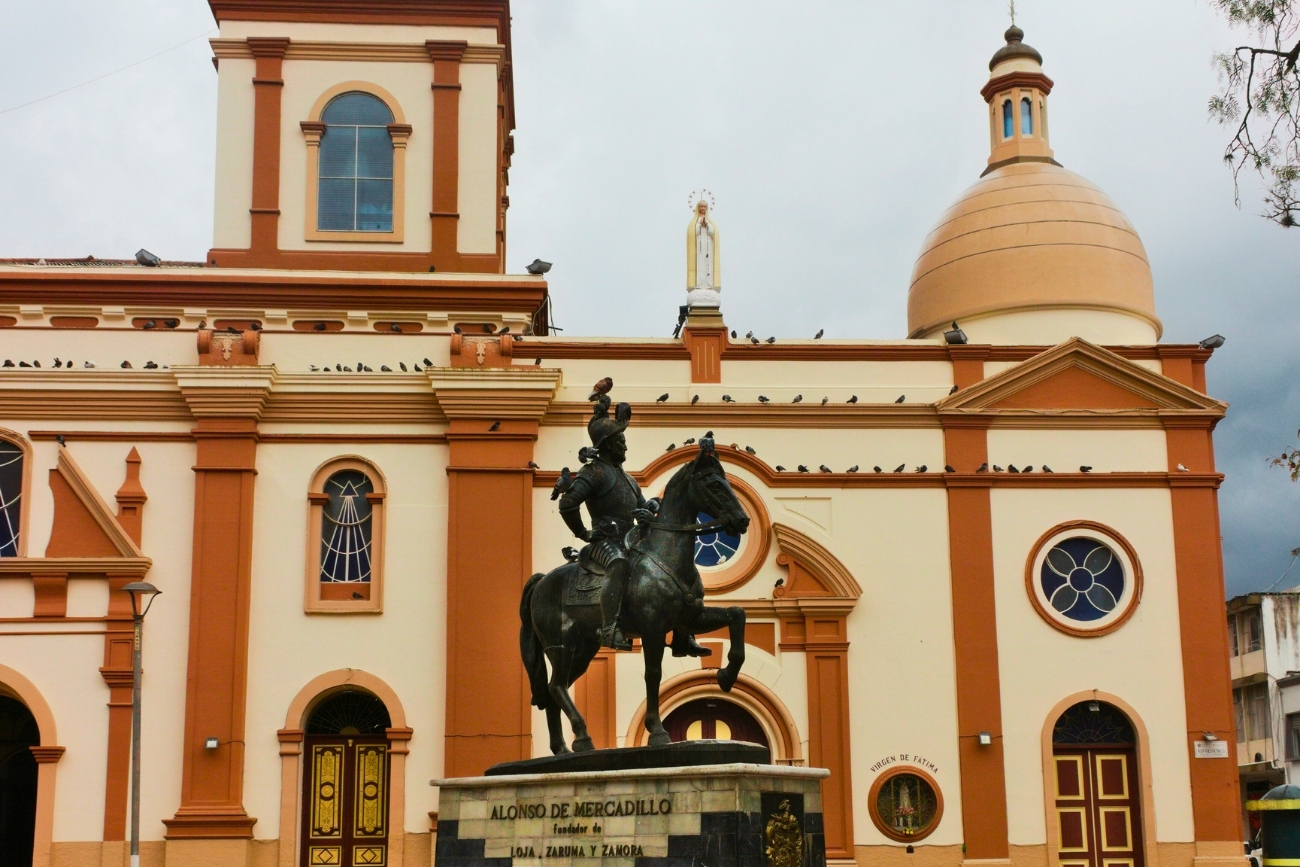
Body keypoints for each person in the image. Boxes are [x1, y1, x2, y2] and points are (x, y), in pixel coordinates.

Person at [559, 395, 707, 656]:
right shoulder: (592, 473)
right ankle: (609, 628)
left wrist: (650, 509)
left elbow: (640, 504)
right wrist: (583, 533)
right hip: (605, 540)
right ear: (607, 445)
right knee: (618, 563)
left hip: (631, 536)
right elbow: (568, 504)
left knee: (667, 566)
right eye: (621, 442)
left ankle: (685, 633)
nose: (625, 447)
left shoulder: (627, 478)